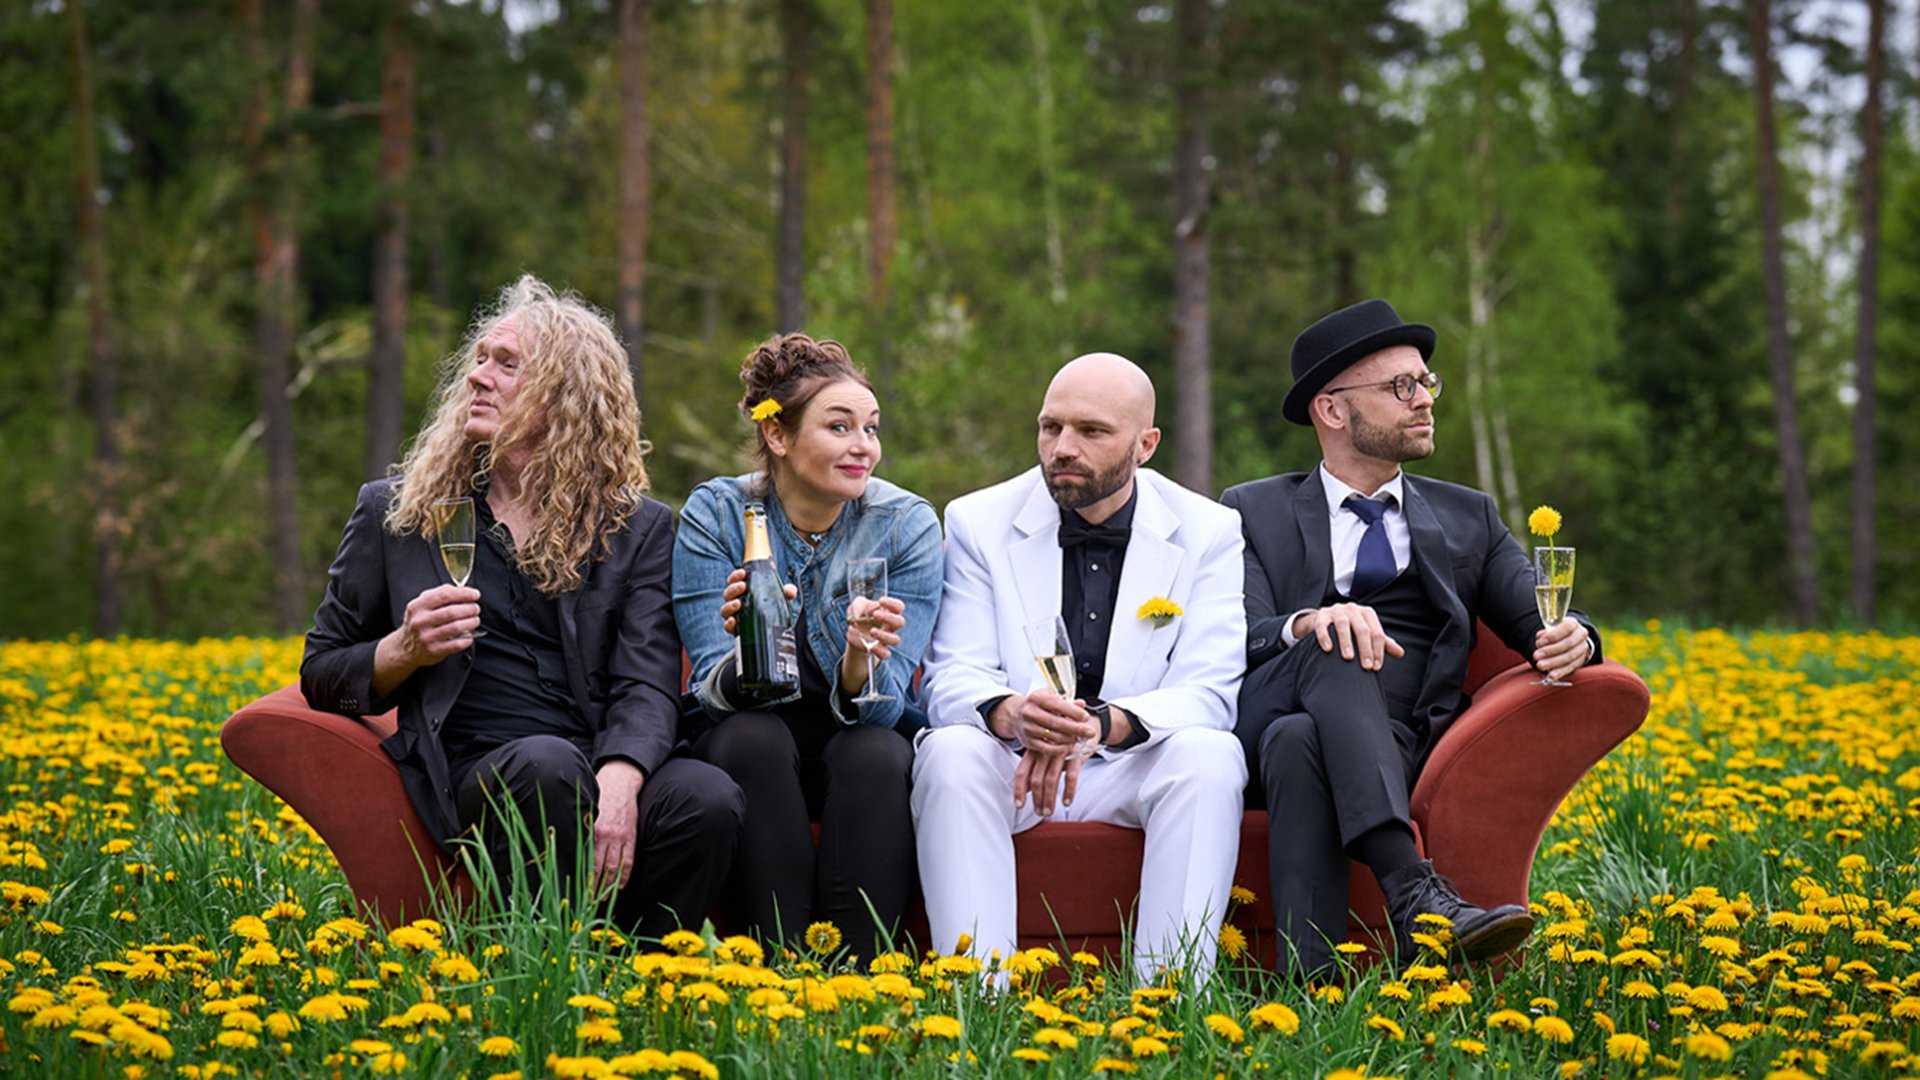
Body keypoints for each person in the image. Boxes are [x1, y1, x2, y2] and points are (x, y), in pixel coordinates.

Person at [302, 276, 742, 938]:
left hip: (595, 751)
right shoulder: (397, 511)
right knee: (547, 766)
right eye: (479, 359)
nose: (478, 376)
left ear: (565, 396)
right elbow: (321, 670)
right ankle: (537, 980)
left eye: (507, 364)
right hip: (478, 766)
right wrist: (403, 651)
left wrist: (621, 783)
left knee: (709, 798)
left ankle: (638, 979)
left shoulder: (638, 528)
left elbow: (647, 683)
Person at [1225, 299, 1602, 978]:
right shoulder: (1251, 509)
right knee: (1331, 647)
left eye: (1426, 382)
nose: (1424, 400)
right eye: (1401, 386)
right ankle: (1414, 895)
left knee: (1301, 742)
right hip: (1272, 701)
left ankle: (1308, 990)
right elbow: (1238, 637)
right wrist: (1312, 623)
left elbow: (1539, 621)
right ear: (1332, 411)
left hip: (1398, 743)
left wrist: (1579, 638)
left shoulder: (1469, 517)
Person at [912, 352, 1247, 985]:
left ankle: (1167, 1005)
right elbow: (952, 675)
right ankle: (976, 1001)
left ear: (1145, 445)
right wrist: (1013, 713)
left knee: (1211, 756)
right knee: (950, 751)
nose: (1062, 448)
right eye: (1050, 427)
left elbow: (1210, 691)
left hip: (1127, 763)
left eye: (1091, 432)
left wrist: (1103, 724)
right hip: (1012, 764)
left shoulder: (1209, 530)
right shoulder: (977, 521)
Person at [672, 333, 942, 960]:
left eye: (871, 428)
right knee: (752, 737)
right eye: (840, 426)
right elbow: (712, 691)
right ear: (778, 436)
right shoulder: (717, 514)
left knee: (875, 749)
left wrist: (858, 657)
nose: (863, 448)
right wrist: (751, 646)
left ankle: (857, 981)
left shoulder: (906, 525)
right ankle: (773, 970)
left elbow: (883, 703)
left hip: (854, 739)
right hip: (749, 739)